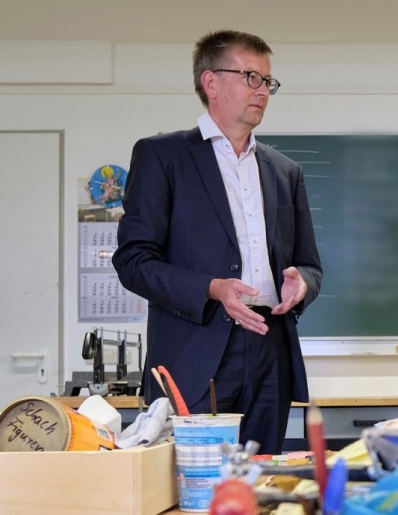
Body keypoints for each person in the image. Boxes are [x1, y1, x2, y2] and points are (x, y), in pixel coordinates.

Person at [114, 30, 322, 453]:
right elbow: (133, 261)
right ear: (211, 83)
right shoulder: (163, 157)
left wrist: (302, 284)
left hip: (270, 350)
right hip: (194, 352)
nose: (263, 90)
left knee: (260, 481)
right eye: (251, 77)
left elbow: (311, 265)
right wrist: (212, 288)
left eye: (268, 81)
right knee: (191, 485)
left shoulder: (285, 171)